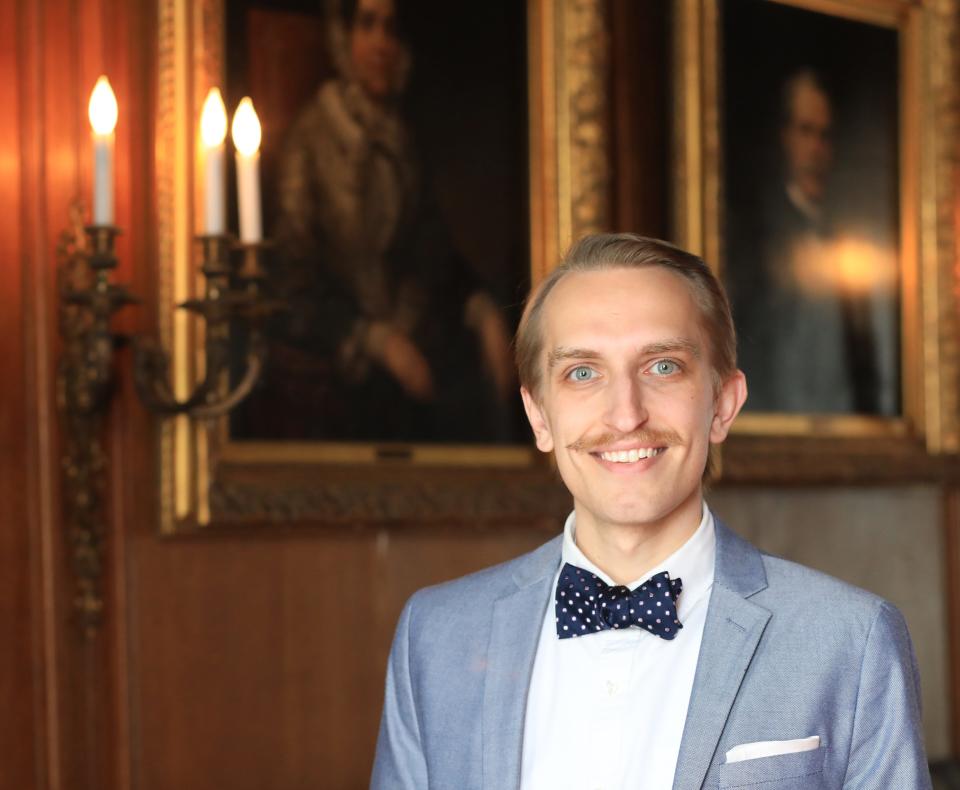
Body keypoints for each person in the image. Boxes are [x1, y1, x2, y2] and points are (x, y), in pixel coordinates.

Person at [371, 233, 930, 789]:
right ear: (539, 416)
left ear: (722, 405)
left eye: (663, 366)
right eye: (583, 373)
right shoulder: (436, 635)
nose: (625, 414)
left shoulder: (850, 640)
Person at [265, 0, 515, 441]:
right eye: (368, 25)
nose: (382, 43)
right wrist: (377, 341)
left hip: (407, 362)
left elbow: (432, 250)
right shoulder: (312, 138)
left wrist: (483, 311)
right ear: (344, 37)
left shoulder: (400, 138)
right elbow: (292, 281)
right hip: (331, 369)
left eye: (392, 29)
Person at [730, 69, 889, 415]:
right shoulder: (752, 235)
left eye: (825, 135)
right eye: (806, 132)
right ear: (783, 137)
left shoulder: (849, 238)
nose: (816, 149)